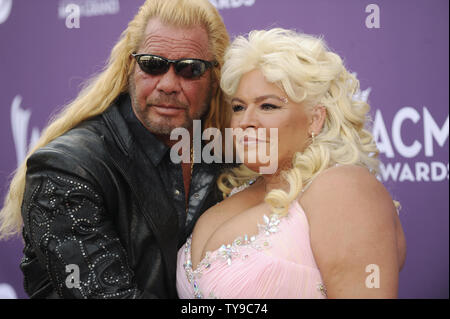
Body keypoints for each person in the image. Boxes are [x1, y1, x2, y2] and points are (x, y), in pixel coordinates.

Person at [0, 0, 230, 298]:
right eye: (152, 64)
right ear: (129, 66)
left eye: (190, 69)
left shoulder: (225, 153)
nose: (169, 84)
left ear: (215, 78)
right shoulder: (67, 168)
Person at [176, 28, 407, 299]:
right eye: (239, 107)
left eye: (268, 106)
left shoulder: (343, 189)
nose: (246, 121)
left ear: (315, 119)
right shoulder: (233, 193)